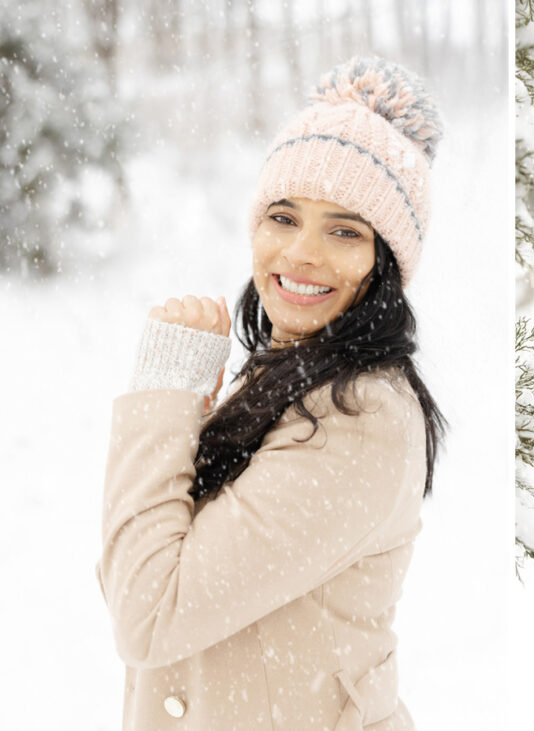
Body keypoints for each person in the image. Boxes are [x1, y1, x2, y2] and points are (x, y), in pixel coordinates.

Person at [97, 57, 444, 730]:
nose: (301, 253)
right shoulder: (284, 374)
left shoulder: (360, 419)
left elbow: (147, 612)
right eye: (283, 217)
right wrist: (182, 429)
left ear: (387, 263)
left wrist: (163, 395)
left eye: (345, 230)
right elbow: (127, 573)